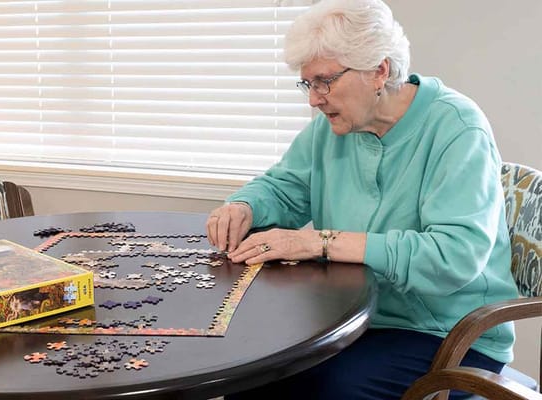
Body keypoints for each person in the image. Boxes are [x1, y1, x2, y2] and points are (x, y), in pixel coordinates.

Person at [205, 0, 519, 398]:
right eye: (308, 84)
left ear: (379, 70)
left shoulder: (456, 128)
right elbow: (285, 186)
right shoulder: (333, 126)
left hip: (447, 333)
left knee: (332, 390)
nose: (313, 99)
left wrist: (318, 242)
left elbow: (453, 257)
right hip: (351, 319)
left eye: (324, 81)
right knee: (248, 376)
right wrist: (244, 205)